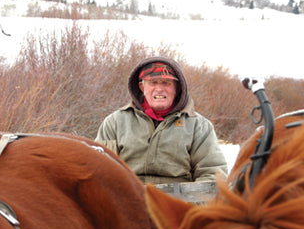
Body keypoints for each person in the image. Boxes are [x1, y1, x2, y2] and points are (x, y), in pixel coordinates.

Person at [95, 56, 228, 184]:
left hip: (179, 203)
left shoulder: (199, 126)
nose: (159, 89)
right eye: (153, 83)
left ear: (177, 88)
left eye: (166, 83)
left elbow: (213, 174)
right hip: (128, 200)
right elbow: (99, 169)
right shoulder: (114, 122)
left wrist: (190, 204)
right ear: (142, 87)